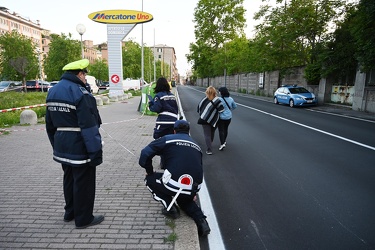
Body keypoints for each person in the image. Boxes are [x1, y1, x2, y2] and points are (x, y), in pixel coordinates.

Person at [45, 59, 104, 229]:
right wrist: (95, 152)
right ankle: (84, 218)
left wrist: (55, 144)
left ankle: (70, 212)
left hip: (62, 145)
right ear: (79, 73)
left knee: (69, 178)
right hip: (80, 146)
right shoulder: (80, 93)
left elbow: (49, 124)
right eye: (84, 74)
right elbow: (89, 125)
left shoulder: (53, 91)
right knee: (83, 182)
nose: (85, 77)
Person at [139, 120, 211, 237]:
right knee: (184, 200)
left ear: (174, 130)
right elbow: (198, 167)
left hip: (173, 183)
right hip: (193, 186)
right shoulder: (197, 145)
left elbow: (145, 153)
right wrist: (193, 192)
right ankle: (202, 221)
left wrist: (149, 171)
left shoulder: (168, 139)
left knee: (149, 180)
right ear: (189, 132)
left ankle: (170, 207)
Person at [197, 86, 224, 155]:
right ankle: (210, 143)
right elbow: (221, 110)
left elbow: (199, 108)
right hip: (214, 120)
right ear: (215, 92)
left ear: (207, 92)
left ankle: (209, 149)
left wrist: (203, 114)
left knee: (207, 134)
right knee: (212, 133)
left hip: (204, 119)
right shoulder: (218, 100)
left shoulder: (204, 100)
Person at [217, 87, 237, 151]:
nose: (218, 92)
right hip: (228, 117)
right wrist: (229, 110)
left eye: (219, 91)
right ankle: (224, 141)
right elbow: (235, 106)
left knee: (221, 130)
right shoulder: (231, 99)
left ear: (221, 92)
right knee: (226, 129)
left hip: (221, 117)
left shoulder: (219, 99)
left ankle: (222, 143)